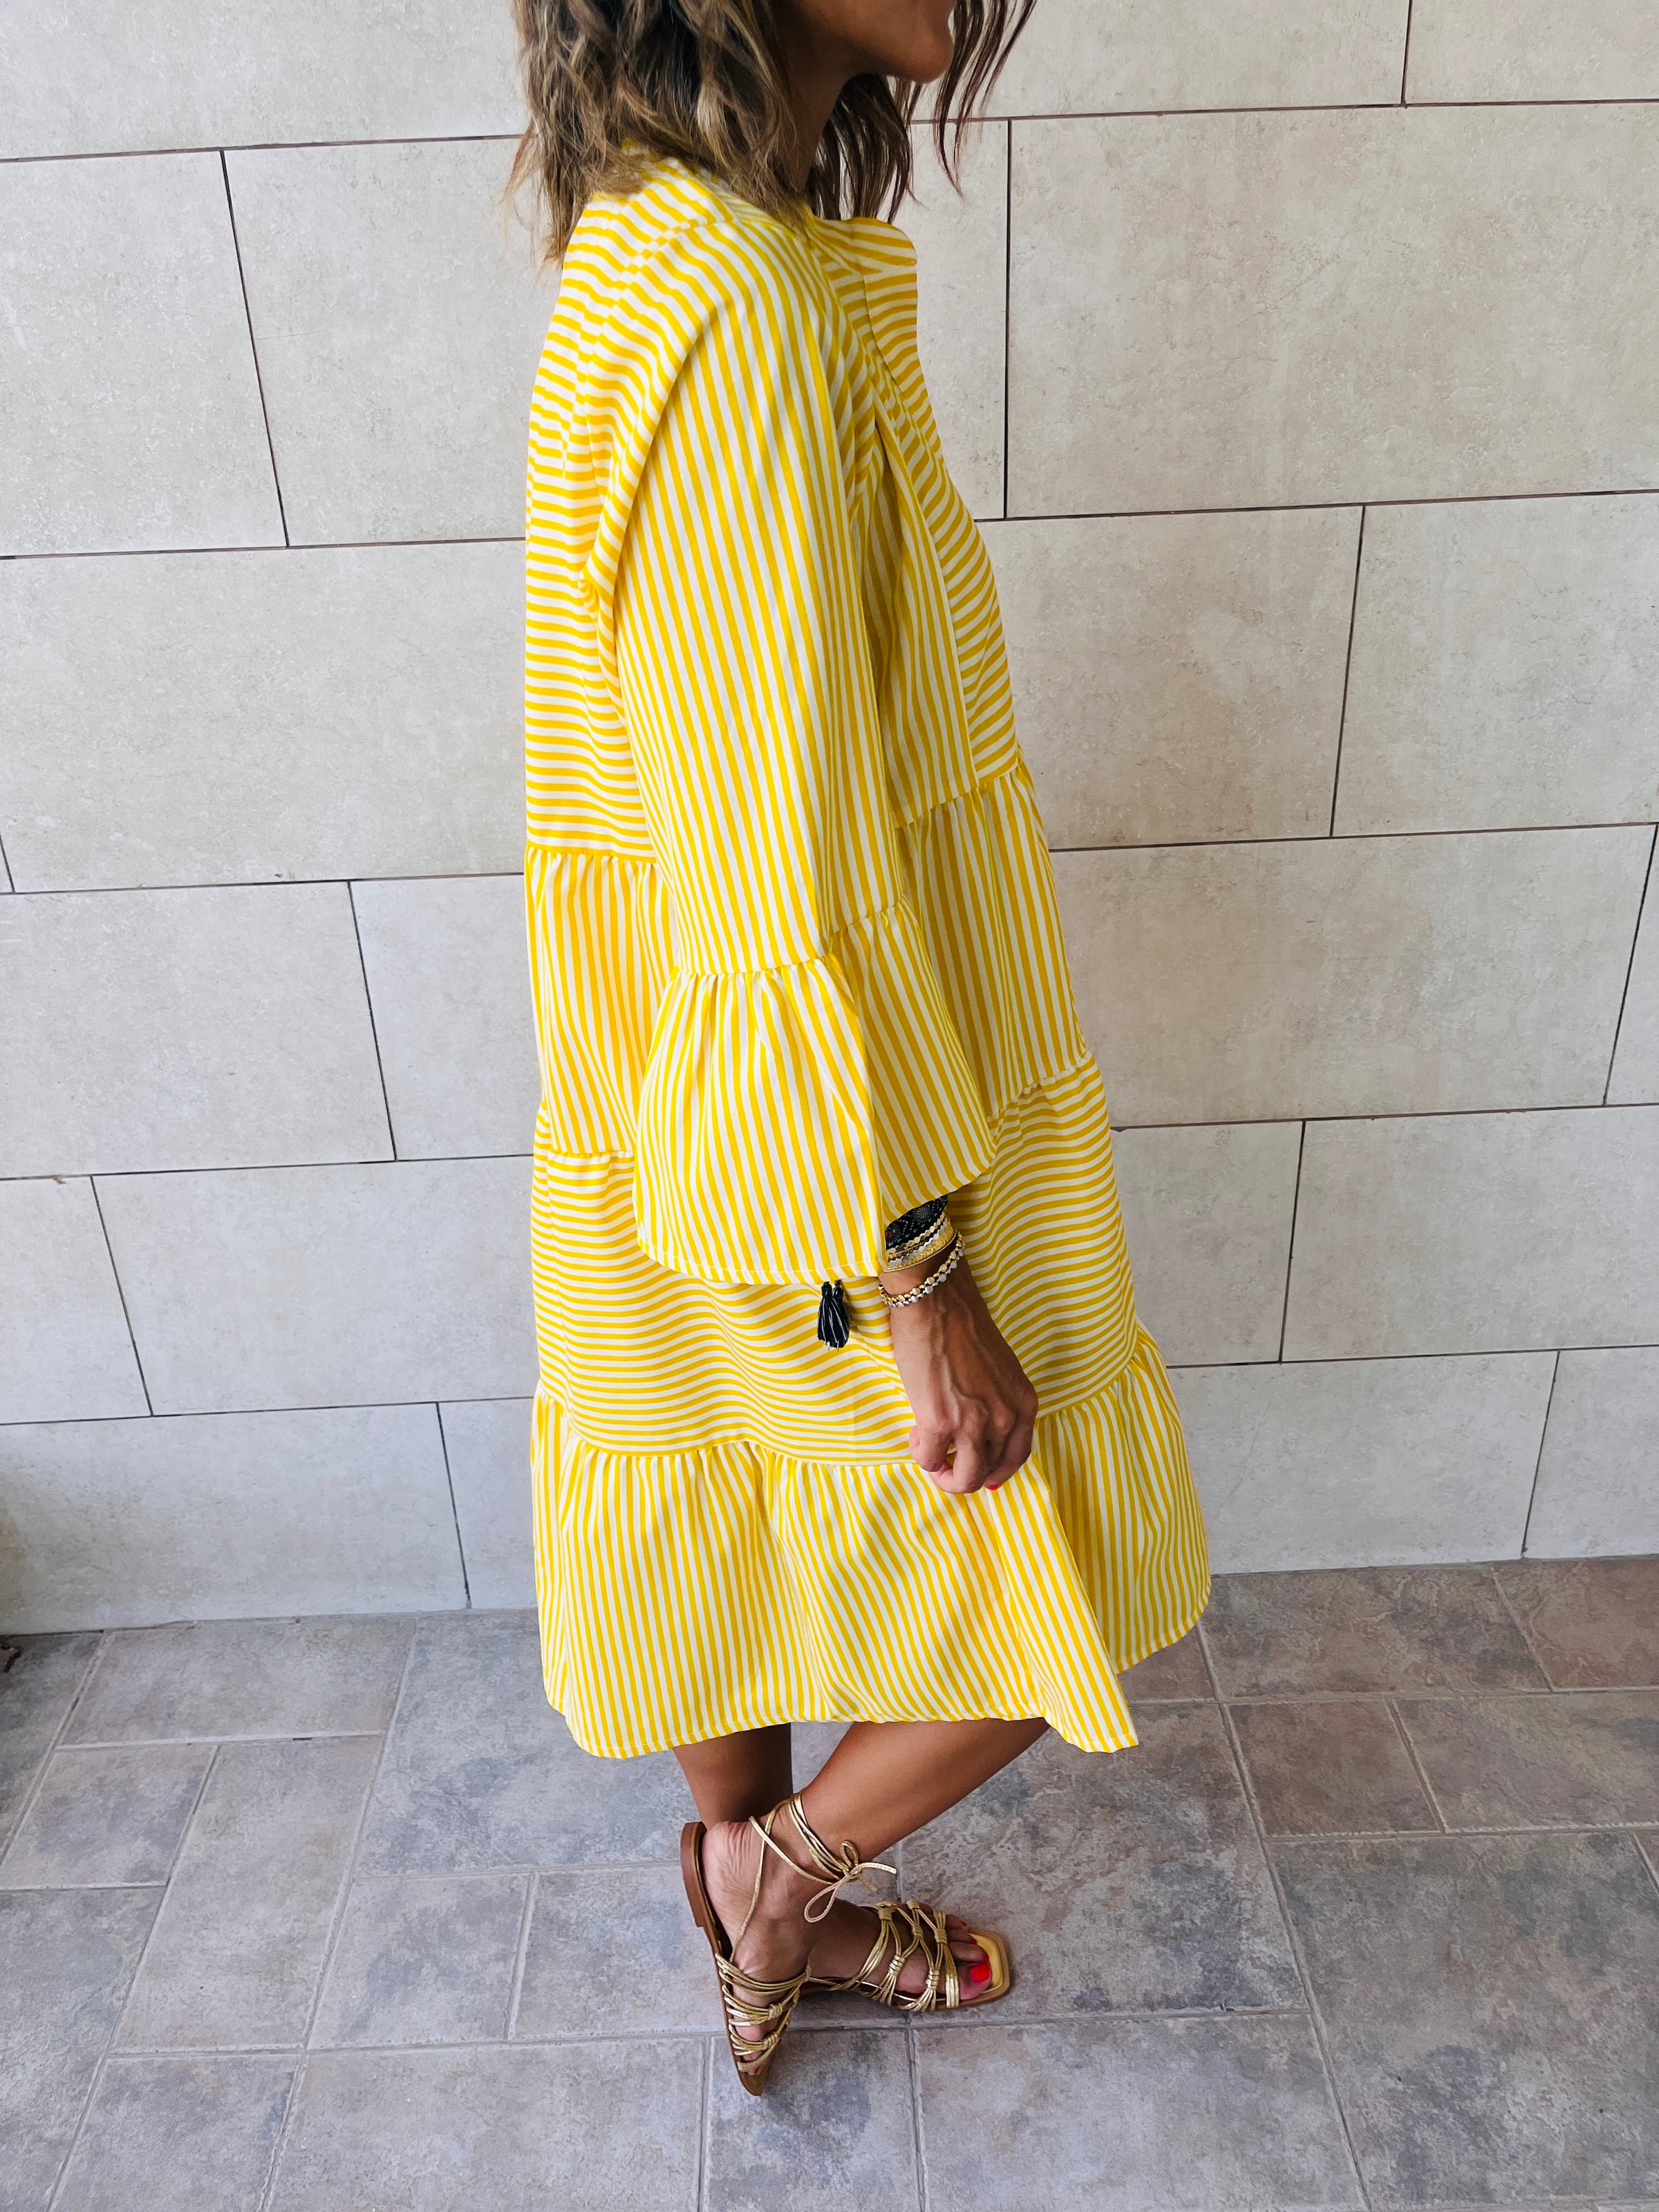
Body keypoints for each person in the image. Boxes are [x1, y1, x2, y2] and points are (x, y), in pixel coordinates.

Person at [510, 0, 1210, 2093]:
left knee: (722, 1510)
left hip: (674, 1081)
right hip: (827, 1113)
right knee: (1046, 1528)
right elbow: (778, 854)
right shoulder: (738, 305)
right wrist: (918, 1261)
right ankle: (787, 1884)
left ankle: (749, 1911)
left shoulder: (659, 242)